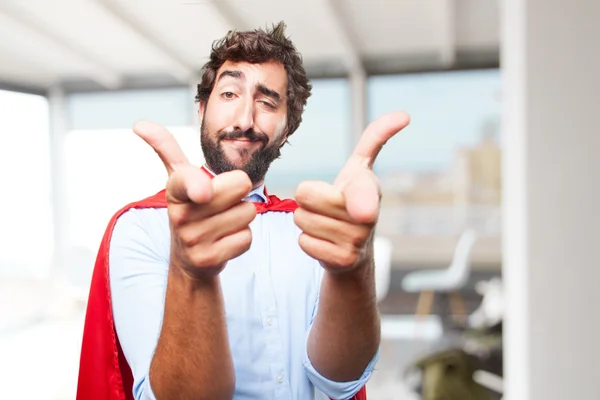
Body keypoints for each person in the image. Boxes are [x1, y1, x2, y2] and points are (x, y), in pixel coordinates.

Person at [76, 21, 410, 400]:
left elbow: (339, 381)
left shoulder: (313, 227)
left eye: (268, 102)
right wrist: (191, 274)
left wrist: (353, 271)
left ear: (288, 129)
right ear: (201, 109)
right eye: (230, 93)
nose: (245, 120)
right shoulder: (140, 228)